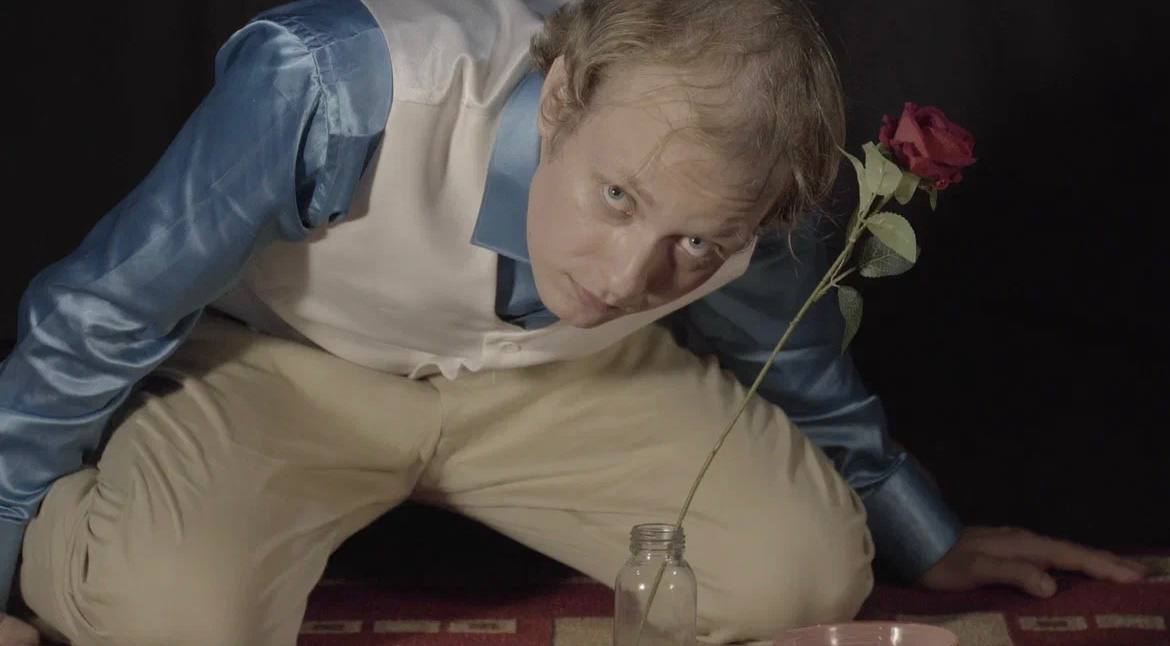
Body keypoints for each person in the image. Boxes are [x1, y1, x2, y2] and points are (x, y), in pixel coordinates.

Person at [0, 0, 1148, 644]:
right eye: (618, 198)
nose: (626, 275)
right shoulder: (335, 84)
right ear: (559, 101)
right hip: (285, 367)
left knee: (800, 572)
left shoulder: (743, 184)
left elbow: (781, 348)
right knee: (168, 620)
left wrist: (920, 531)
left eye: (694, 244)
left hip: (564, 387)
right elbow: (102, 306)